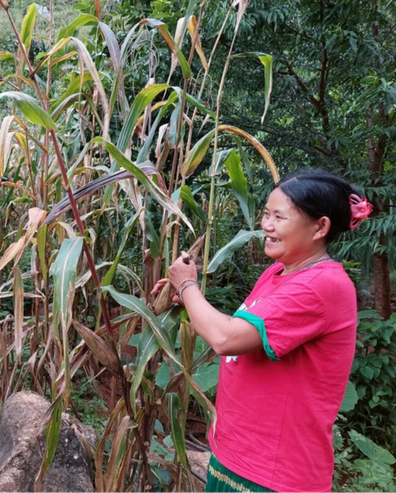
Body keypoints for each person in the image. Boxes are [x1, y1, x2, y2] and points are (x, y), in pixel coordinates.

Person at [154, 169, 371, 493]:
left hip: (274, 474)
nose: (266, 225)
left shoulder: (322, 285)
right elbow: (248, 332)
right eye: (266, 214)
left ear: (320, 227)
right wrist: (189, 302)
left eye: (279, 217)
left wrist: (187, 284)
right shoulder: (278, 273)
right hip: (235, 456)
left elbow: (227, 338)